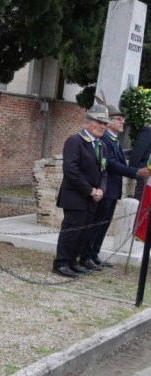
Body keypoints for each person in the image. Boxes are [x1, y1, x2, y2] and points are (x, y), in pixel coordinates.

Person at [83, 105, 149, 268]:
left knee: (104, 223)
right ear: (109, 121)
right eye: (119, 119)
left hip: (113, 189)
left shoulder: (113, 139)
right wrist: (136, 172)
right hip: (105, 188)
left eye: (122, 119)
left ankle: (94, 254)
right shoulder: (105, 139)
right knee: (97, 224)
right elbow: (111, 164)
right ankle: (86, 256)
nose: (123, 122)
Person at [52, 105, 110, 278]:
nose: (102, 126)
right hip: (76, 196)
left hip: (93, 198)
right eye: (99, 122)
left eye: (105, 124)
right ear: (87, 122)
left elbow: (104, 171)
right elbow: (71, 170)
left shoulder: (102, 145)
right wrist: (90, 190)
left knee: (83, 232)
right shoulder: (75, 141)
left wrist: (101, 189)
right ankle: (61, 263)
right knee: (71, 231)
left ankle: (73, 261)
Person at [128, 122, 151, 194]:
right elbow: (138, 152)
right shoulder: (148, 132)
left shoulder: (148, 132)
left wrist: (131, 170)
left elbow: (138, 152)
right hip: (144, 172)